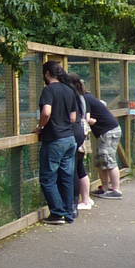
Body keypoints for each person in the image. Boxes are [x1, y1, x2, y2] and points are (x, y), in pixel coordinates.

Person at [35, 60, 79, 225]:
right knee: (66, 177)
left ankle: (57, 213)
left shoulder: (48, 90)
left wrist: (40, 126)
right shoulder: (69, 90)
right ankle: (69, 212)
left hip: (54, 139)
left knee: (48, 177)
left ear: (47, 74)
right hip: (70, 139)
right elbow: (73, 118)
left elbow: (46, 112)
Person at [74, 75, 124, 199]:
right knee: (101, 160)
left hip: (109, 131)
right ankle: (105, 187)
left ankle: (116, 189)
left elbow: (89, 119)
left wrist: (86, 120)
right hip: (105, 132)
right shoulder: (87, 97)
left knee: (109, 159)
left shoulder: (84, 99)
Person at [64, 72, 94, 212]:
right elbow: (87, 117)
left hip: (76, 132)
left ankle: (83, 200)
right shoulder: (82, 96)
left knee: (77, 167)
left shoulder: (73, 97)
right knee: (81, 166)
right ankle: (86, 199)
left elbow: (74, 117)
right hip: (84, 133)